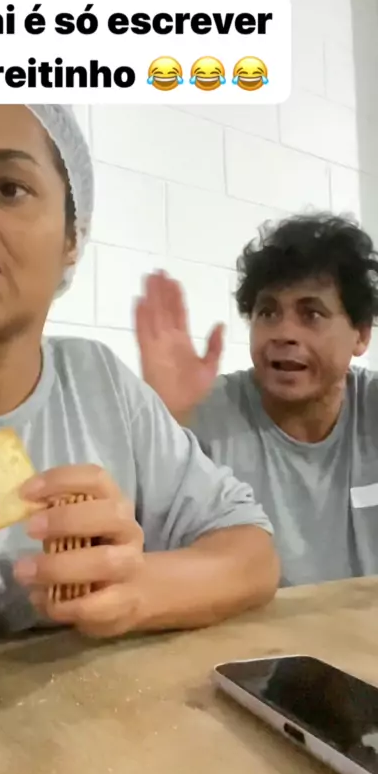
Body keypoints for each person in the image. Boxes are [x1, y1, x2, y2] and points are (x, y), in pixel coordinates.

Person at [0, 60, 278, 655]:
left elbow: (251, 549)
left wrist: (142, 589)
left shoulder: (101, 387)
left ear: (72, 237)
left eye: (9, 188)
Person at [136, 213, 378, 587]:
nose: (284, 333)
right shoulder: (203, 413)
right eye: (268, 312)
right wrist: (163, 419)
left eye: (311, 314)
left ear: (360, 335)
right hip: (248, 625)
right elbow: (133, 549)